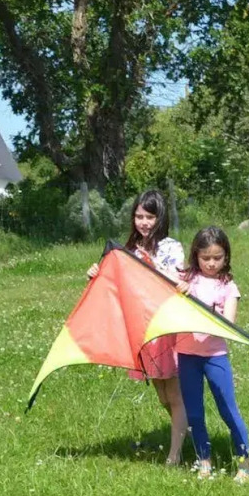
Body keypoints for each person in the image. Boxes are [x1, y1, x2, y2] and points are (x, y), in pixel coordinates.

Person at [87, 189, 187, 465]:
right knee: (163, 396)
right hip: (144, 330)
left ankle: (174, 455)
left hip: (167, 326)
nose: (143, 222)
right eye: (139, 216)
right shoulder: (128, 250)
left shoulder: (171, 247)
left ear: (160, 218)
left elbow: (176, 282)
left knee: (175, 394)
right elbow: (118, 285)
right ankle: (186, 429)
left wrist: (149, 263)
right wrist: (96, 274)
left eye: (149, 217)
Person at [176, 226, 249, 482]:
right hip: (187, 355)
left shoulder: (228, 287)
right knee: (195, 412)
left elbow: (227, 323)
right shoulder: (186, 280)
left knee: (228, 410)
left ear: (226, 257)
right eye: (205, 257)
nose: (211, 263)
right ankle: (204, 460)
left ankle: (245, 463)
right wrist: (181, 293)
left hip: (215, 356)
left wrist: (206, 309)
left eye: (217, 257)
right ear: (195, 255)